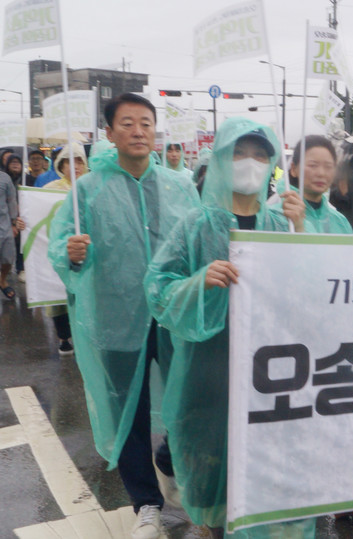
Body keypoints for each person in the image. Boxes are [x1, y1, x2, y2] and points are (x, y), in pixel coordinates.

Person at [143, 117, 309, 538]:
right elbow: (158, 290)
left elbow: (312, 295)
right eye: (238, 152)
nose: (249, 162)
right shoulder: (196, 226)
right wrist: (199, 283)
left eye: (259, 154)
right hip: (207, 379)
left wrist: (304, 233)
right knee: (213, 483)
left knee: (266, 483)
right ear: (218, 159)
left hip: (270, 379)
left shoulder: (282, 226)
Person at [47, 93, 201, 539]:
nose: (138, 131)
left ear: (156, 132)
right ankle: (147, 504)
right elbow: (62, 250)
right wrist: (71, 254)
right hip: (117, 320)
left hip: (174, 318)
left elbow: (200, 241)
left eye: (146, 124)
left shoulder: (179, 186)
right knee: (128, 413)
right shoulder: (87, 190)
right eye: (128, 123)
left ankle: (172, 466)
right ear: (110, 133)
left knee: (187, 404)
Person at [37, 142, 90, 355]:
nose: (74, 166)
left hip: (86, 251)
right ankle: (63, 336)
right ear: (60, 165)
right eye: (69, 161)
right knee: (58, 295)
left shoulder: (92, 187)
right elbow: (38, 216)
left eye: (79, 160)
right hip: (60, 250)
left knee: (84, 295)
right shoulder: (50, 189)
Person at [275, 135, 352, 234]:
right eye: (313, 165)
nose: (321, 173)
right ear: (293, 169)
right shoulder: (276, 216)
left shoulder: (340, 222)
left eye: (328, 166)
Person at [0, 164, 22, 300]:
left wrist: (14, 223)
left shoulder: (4, 178)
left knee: (8, 257)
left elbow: (12, 201)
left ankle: (2, 279)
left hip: (4, 224)